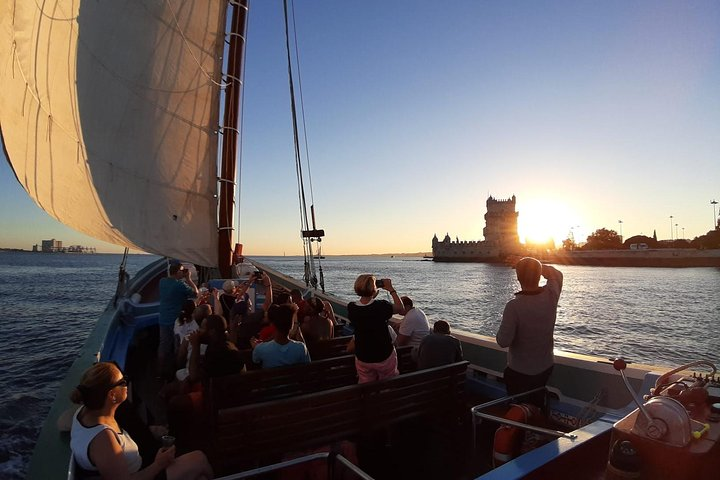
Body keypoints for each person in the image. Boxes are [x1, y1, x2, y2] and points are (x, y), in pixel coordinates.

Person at [70, 362, 212, 479]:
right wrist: (159, 464)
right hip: (145, 474)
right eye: (122, 381)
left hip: (142, 466)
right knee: (199, 459)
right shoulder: (103, 439)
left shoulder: (82, 412)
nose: (126, 384)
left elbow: (62, 423)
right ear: (112, 395)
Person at [496, 257, 563, 407]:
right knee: (536, 402)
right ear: (539, 276)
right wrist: (538, 266)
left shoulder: (514, 306)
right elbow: (557, 275)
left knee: (519, 407)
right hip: (545, 366)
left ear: (518, 277)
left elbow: (503, 341)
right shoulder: (551, 296)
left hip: (520, 371)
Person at [347, 274, 404, 383]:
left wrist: (371, 294)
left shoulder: (352, 308)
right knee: (388, 383)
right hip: (384, 355)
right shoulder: (381, 306)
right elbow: (400, 308)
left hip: (363, 356)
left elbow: (366, 306)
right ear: (374, 289)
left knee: (366, 384)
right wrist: (391, 289)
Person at [158, 262, 198, 379]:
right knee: (178, 346)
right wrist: (189, 279)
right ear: (178, 272)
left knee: (163, 345)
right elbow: (196, 293)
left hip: (163, 318)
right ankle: (176, 371)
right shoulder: (179, 285)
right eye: (182, 270)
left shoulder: (162, 282)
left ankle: (159, 373)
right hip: (176, 321)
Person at [251, 304, 311, 369]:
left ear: (274, 324)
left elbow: (255, 360)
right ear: (291, 326)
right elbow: (308, 366)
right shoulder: (301, 348)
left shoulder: (261, 349)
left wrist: (255, 348)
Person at [396, 296, 430, 360]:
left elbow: (400, 342)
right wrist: (401, 323)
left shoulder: (409, 318)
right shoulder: (417, 311)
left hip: (413, 351)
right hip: (422, 348)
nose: (398, 308)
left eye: (400, 306)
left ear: (407, 307)